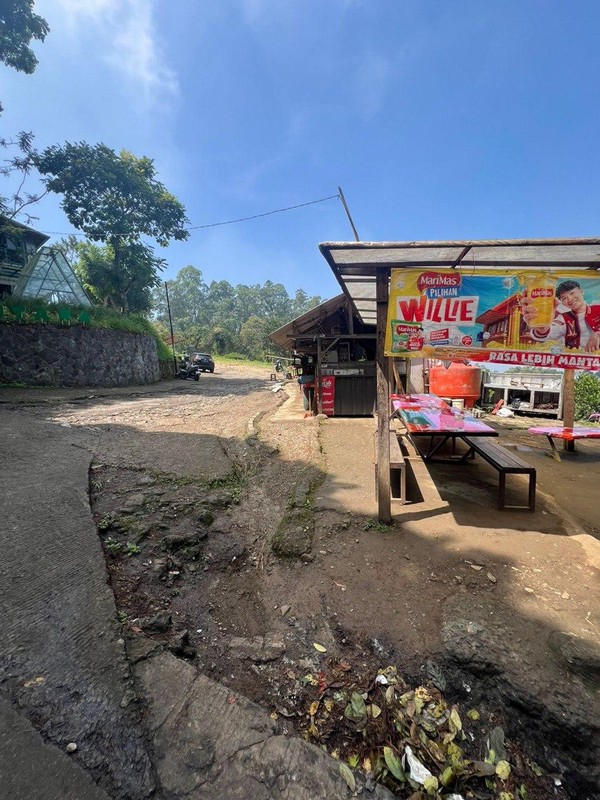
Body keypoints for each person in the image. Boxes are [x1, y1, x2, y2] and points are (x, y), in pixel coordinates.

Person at [521, 279, 600, 352]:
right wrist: (542, 328)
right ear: (562, 302)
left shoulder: (598, 309)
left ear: (581, 292)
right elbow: (549, 334)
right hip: (575, 362)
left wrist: (598, 334)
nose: (570, 299)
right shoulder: (563, 318)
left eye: (572, 293)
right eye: (564, 298)